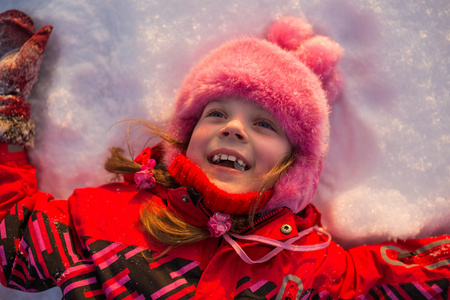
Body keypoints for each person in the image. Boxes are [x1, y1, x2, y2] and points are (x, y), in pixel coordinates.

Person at [0, 9, 448, 300]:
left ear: (295, 164)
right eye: (217, 113)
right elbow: (13, 242)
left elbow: (395, 282)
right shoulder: (108, 219)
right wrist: (7, 108)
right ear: (185, 136)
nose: (233, 128)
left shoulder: (309, 264)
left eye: (264, 124)